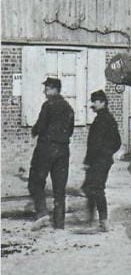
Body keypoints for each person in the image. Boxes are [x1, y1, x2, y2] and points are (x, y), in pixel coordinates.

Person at [28, 77, 74, 231]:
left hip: (46, 149)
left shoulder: (48, 105)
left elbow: (40, 126)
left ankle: (42, 213)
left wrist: (34, 131)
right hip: (63, 150)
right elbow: (71, 131)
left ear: (54, 89)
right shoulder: (68, 108)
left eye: (47, 89)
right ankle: (59, 225)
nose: (44, 91)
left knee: (35, 181)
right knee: (59, 188)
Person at [82, 90, 121, 232]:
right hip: (99, 160)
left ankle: (102, 223)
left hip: (99, 161)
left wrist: (103, 154)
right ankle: (91, 221)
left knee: (96, 189)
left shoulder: (104, 120)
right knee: (90, 188)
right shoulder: (104, 118)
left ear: (103, 102)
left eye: (95, 102)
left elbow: (113, 142)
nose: (92, 105)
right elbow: (116, 143)